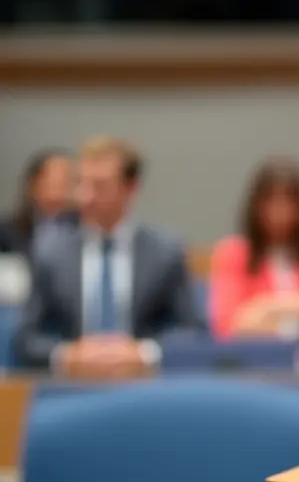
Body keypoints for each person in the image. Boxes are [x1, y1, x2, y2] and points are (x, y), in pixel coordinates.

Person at [14, 136, 200, 376]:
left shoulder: (165, 252)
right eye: (81, 184)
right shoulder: (51, 254)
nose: (85, 197)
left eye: (99, 186)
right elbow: (26, 339)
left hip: (144, 386)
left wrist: (144, 352)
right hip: (71, 386)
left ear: (131, 188)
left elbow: (192, 331)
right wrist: (66, 354)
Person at [209, 157, 299, 375]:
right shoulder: (233, 253)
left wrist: (265, 308)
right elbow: (230, 326)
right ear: (256, 206)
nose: (280, 212)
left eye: (289, 202)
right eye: (271, 202)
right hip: (257, 372)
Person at [0, 149, 77, 255]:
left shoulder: (85, 228)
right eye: (58, 180)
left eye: (72, 179)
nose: (67, 186)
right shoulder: (7, 232)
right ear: (34, 184)